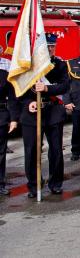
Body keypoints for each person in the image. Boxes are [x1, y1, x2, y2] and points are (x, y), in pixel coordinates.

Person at [17, 33, 68, 198]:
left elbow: (65, 86)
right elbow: (18, 89)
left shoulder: (60, 65)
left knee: (56, 150)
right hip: (31, 114)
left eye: (52, 46)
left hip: (53, 111)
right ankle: (34, 185)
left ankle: (55, 183)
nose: (50, 49)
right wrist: (28, 103)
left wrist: (47, 89)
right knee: (31, 151)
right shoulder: (28, 66)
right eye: (47, 47)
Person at [0, 57, 17, 196]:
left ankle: (0, 184)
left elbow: (12, 98)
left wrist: (13, 119)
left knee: (1, 153)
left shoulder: (4, 75)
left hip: (1, 115)